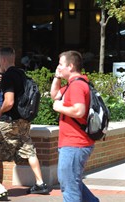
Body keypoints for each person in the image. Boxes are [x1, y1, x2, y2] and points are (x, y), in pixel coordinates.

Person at [0, 47, 49, 194]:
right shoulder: (21, 74)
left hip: (10, 121)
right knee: (29, 151)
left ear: (3, 60)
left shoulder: (8, 76)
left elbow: (9, 102)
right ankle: (40, 183)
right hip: (23, 120)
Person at [50, 50, 99, 202]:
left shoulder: (77, 86)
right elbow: (55, 95)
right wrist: (57, 77)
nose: (58, 67)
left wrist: (59, 108)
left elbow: (79, 110)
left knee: (69, 185)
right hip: (72, 143)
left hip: (75, 143)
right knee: (71, 180)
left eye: (60, 64)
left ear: (70, 66)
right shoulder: (73, 84)